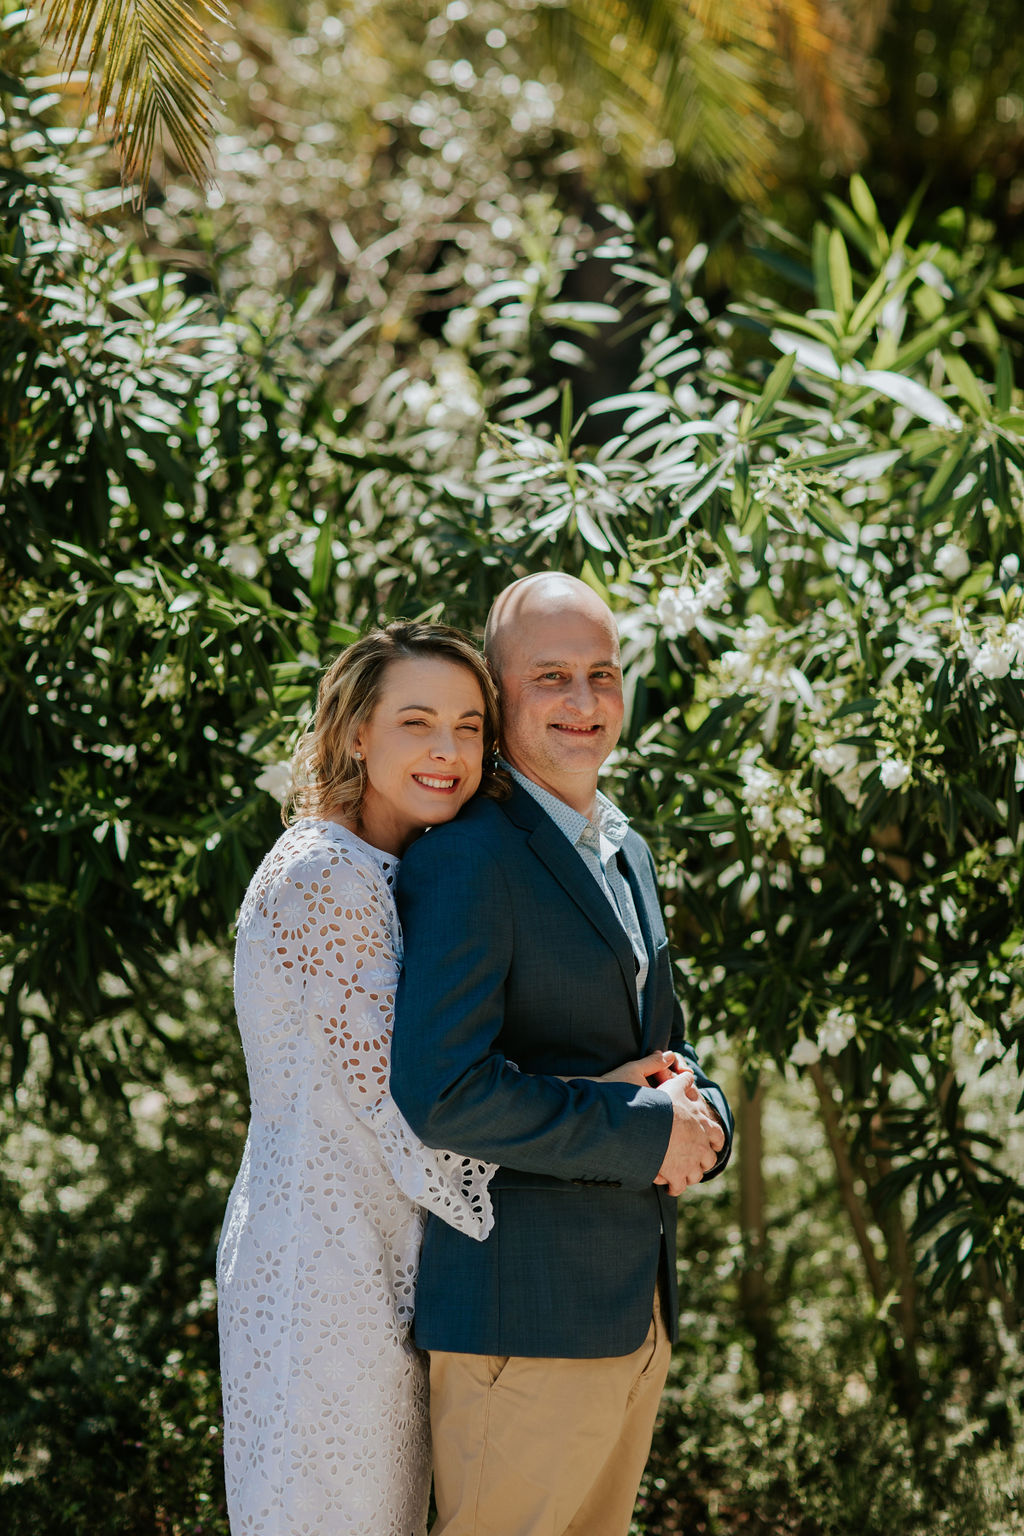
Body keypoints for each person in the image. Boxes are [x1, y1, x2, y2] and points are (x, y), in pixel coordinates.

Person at [216, 620, 671, 1536]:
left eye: (469, 727)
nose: (447, 752)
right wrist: (615, 1110)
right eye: (416, 723)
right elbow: (414, 1111)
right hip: (326, 1269)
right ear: (355, 732)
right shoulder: (326, 877)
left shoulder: (390, 865)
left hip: (392, 1262)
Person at [390, 573, 734, 1536]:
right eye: (551, 676)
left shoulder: (623, 846)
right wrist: (640, 1135)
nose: (583, 702)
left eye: (602, 673)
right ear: (498, 697)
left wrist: (702, 1116)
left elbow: (655, 1047)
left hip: (633, 1314)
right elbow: (442, 1090)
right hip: (522, 1328)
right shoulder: (469, 858)